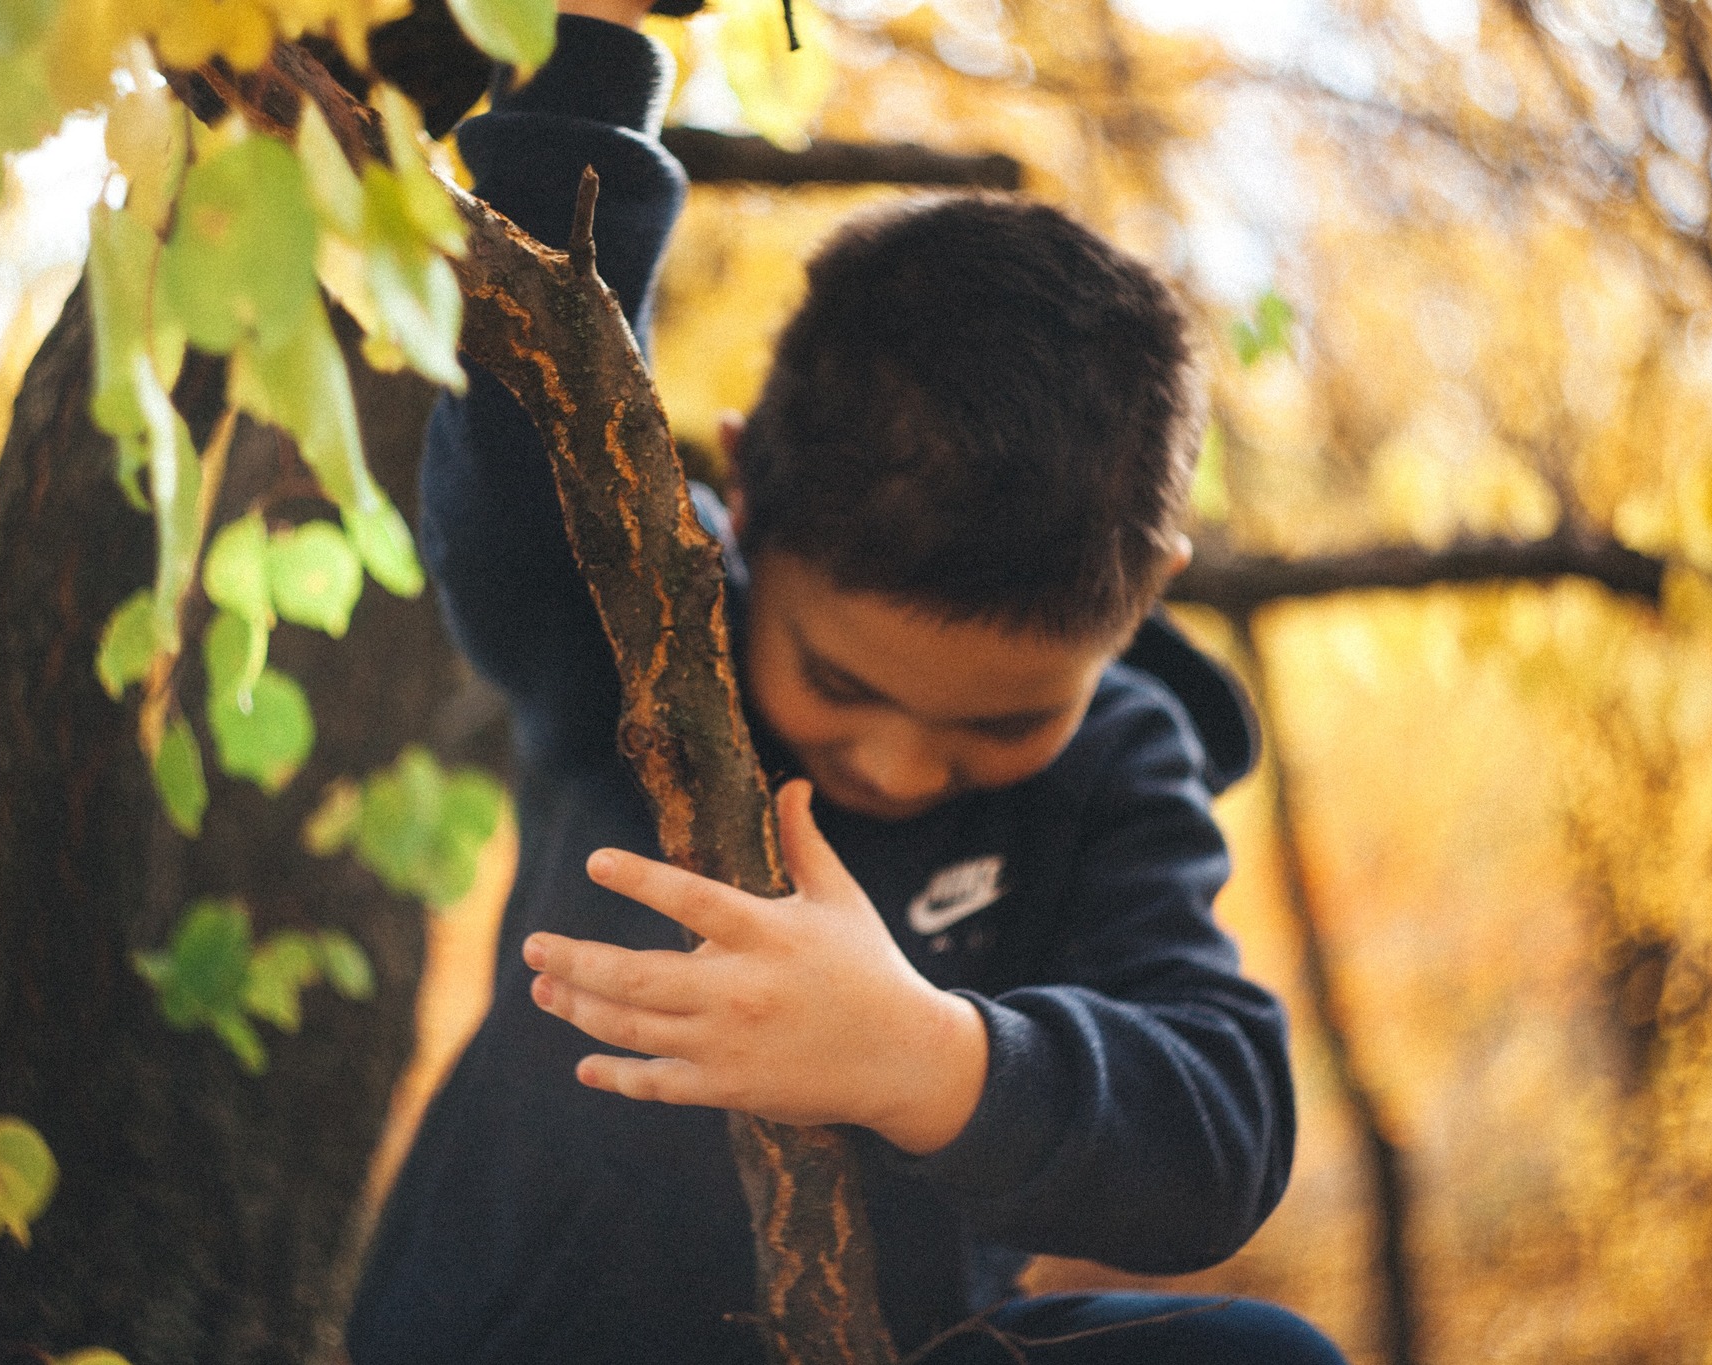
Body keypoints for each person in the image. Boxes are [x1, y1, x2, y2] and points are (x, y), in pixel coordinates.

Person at [346, 5, 1348, 1362]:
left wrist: (928, 1058)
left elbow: (1221, 1126)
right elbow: (540, 431)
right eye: (841, 680)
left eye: (1003, 719)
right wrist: (583, 51)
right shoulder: (651, 615)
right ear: (746, 489)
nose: (897, 765)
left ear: (1144, 593)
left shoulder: (1123, 759)